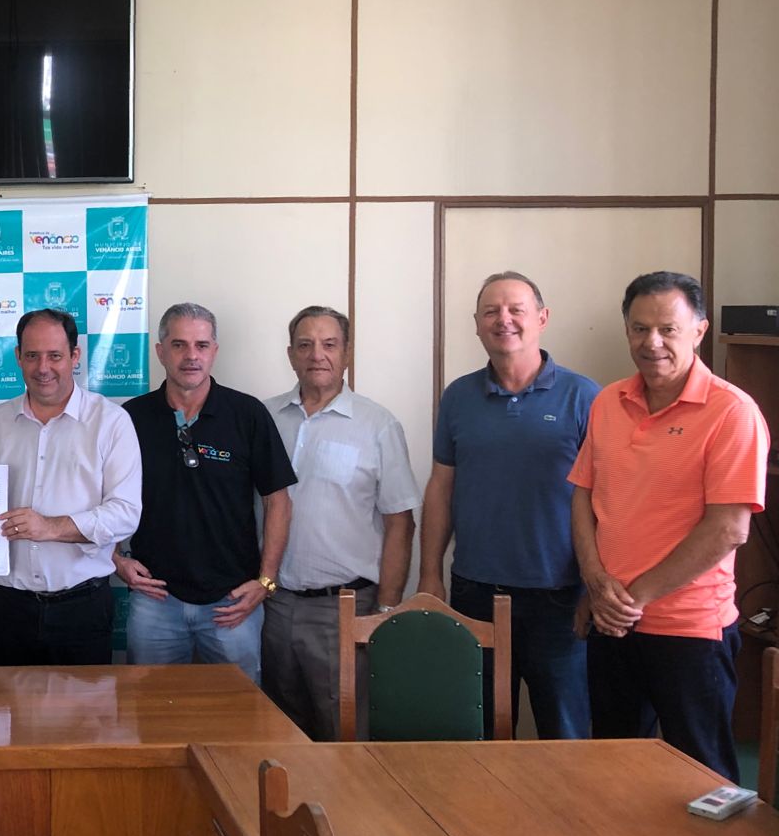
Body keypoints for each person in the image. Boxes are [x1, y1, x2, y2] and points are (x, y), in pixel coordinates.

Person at [571, 271, 769, 779]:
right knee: (613, 772)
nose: (651, 342)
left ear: (699, 331)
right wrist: (595, 582)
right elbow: (585, 496)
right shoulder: (607, 402)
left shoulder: (732, 412)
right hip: (612, 622)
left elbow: (728, 529)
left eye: (667, 329)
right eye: (639, 329)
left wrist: (629, 599)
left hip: (690, 630)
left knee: (702, 779)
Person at [419, 271, 599, 739]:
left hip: (561, 597)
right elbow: (441, 487)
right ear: (477, 324)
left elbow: (607, 498)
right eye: (490, 312)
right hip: (476, 593)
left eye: (516, 309)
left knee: (565, 736)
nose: (504, 320)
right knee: (480, 735)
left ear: (542, 318)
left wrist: (595, 584)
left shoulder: (584, 397)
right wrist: (430, 573)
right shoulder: (458, 397)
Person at [263, 305, 419, 738]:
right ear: (290, 354)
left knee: (344, 734)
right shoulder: (264, 418)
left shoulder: (377, 425)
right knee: (277, 730)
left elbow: (401, 523)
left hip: (345, 608)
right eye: (305, 345)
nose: (317, 355)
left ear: (347, 353)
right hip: (273, 604)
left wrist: (385, 609)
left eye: (329, 344)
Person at [116, 303, 294, 678]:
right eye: (179, 345)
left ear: (215, 350)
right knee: (151, 707)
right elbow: (102, 496)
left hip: (233, 601)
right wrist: (115, 560)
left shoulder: (247, 414)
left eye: (201, 345)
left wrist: (266, 581)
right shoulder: (131, 418)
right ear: (160, 351)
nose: (191, 356)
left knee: (239, 709)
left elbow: (277, 500)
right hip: (155, 599)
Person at [0, 309, 141, 666]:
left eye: (55, 356)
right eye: (32, 355)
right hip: (9, 606)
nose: (43, 367)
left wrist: (49, 527)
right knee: (13, 703)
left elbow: (125, 515)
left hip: (82, 608)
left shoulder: (111, 422)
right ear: (18, 356)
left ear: (75, 356)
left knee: (85, 704)